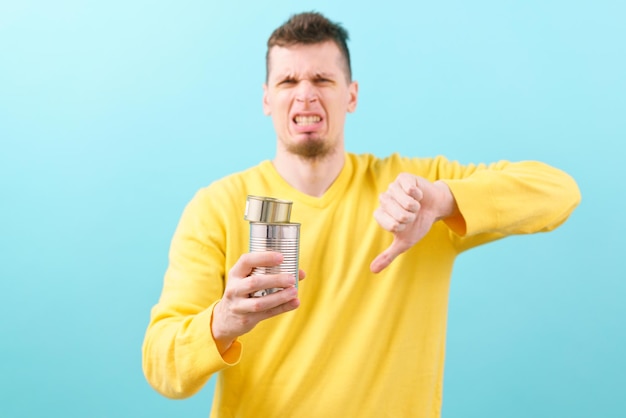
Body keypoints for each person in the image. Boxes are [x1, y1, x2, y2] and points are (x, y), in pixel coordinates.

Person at [142, 11, 581, 418]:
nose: (306, 94)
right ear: (266, 99)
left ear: (351, 95)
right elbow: (162, 367)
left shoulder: (415, 193)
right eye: (288, 81)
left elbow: (560, 191)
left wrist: (443, 200)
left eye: (323, 79)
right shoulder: (216, 208)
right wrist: (222, 323)